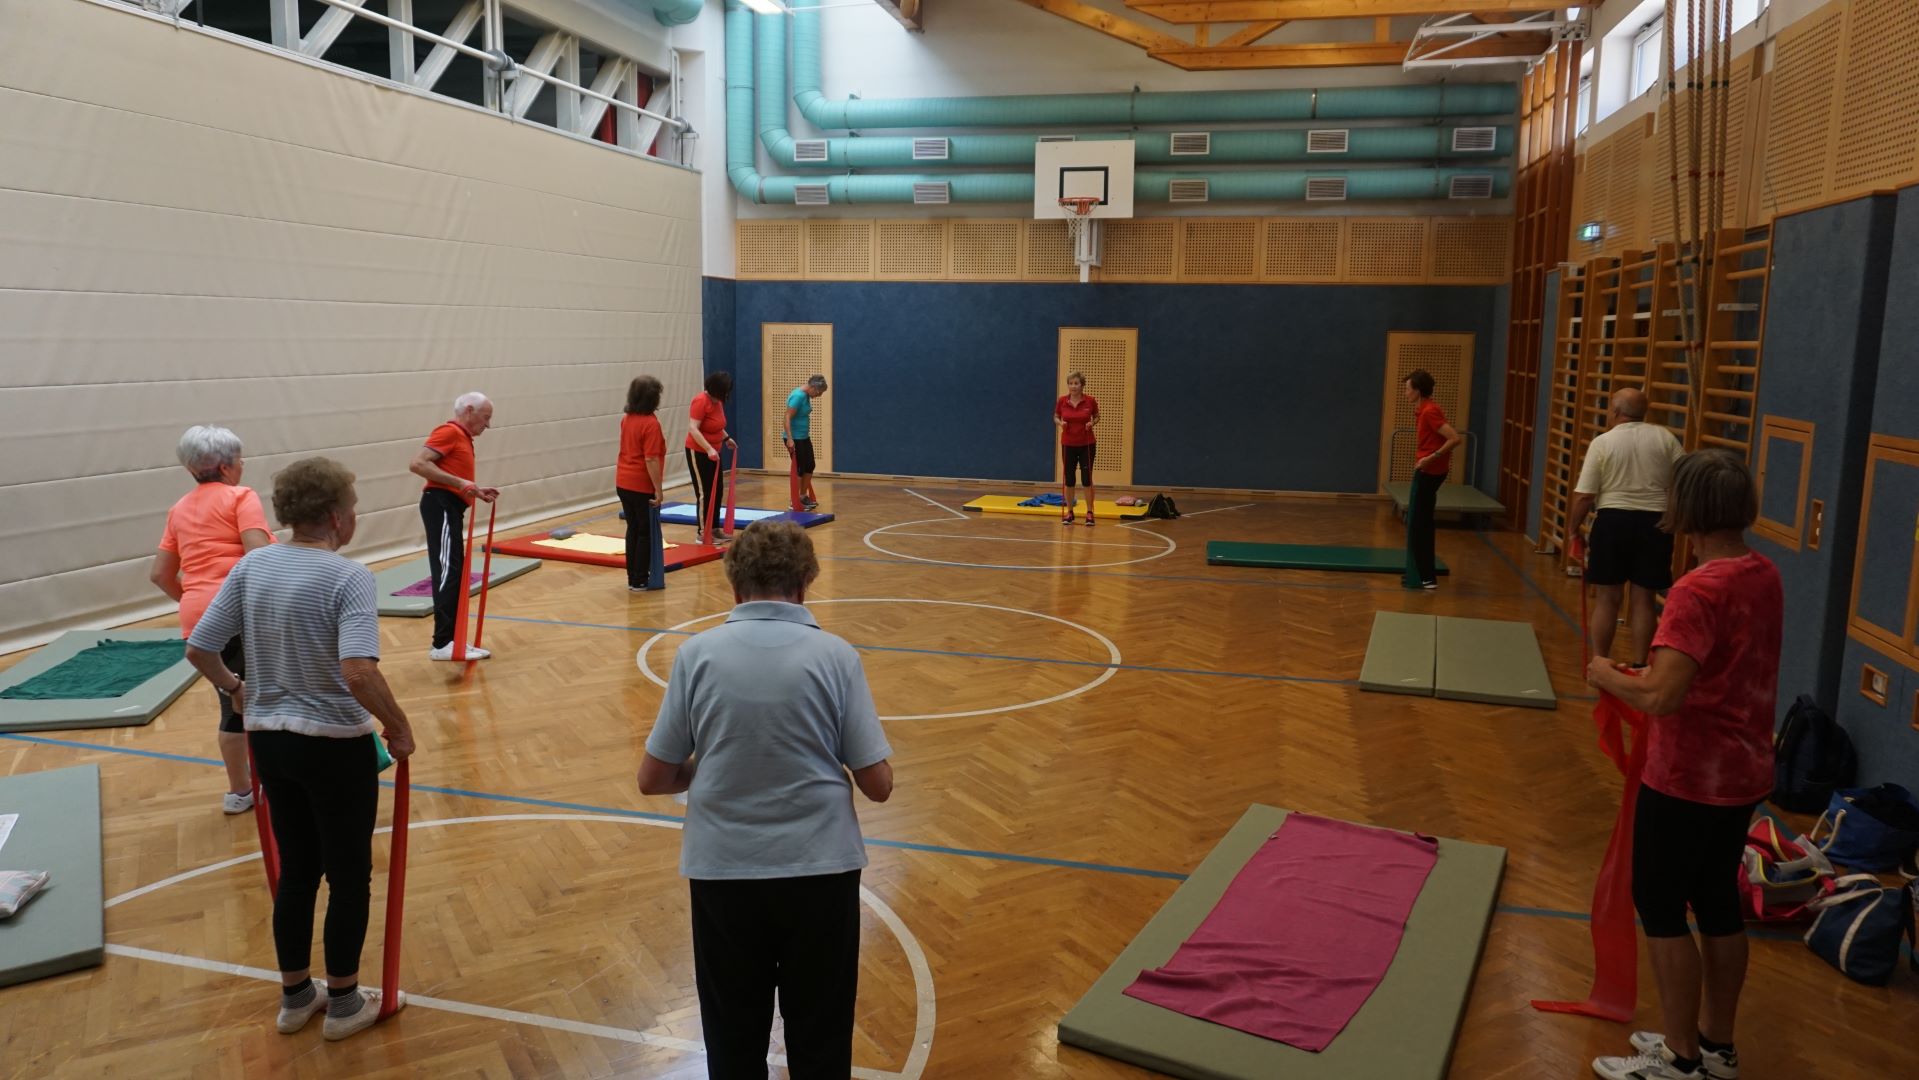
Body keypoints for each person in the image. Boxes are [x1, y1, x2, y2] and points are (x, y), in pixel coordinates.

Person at [638, 521, 894, 1079]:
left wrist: (713, 764)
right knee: (821, 1035)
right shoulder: (836, 655)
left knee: (732, 1037)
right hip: (821, 871)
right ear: (804, 584)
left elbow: (653, 778)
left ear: (734, 586)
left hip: (724, 872)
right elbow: (878, 785)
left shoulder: (696, 655)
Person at [184, 457, 417, 1042]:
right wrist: (398, 726)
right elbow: (358, 671)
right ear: (337, 517)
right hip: (334, 747)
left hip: (270, 744)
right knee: (349, 875)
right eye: (353, 508)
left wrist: (236, 689)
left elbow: (199, 647)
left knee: (297, 872)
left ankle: (295, 998)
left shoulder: (252, 565)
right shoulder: (347, 577)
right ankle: (344, 1004)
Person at [1585, 449, 1780, 1080]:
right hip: (1743, 771)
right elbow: (1707, 670)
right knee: (1717, 900)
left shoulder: (1698, 589)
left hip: (1690, 778)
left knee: (1662, 904)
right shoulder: (1762, 572)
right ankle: (1716, 1046)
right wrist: (1647, 673)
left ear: (1685, 508)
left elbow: (1662, 695)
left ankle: (1679, 1057)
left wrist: (1607, 674)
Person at [150, 425, 274, 814]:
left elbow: (160, 575)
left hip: (200, 621)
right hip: (240, 614)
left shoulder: (179, 509)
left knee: (233, 701)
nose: (242, 465)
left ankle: (240, 791)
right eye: (239, 460)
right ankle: (278, 781)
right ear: (224, 467)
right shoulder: (241, 497)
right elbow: (258, 557)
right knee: (264, 699)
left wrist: (195, 602)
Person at [1567, 388, 1684, 666]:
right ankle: (1641, 664)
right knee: (1644, 599)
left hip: (1613, 522)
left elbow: (1585, 496)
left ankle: (1600, 662)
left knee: (1608, 598)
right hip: (1655, 523)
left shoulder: (1603, 442)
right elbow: (1685, 479)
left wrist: (1573, 530)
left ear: (1616, 412)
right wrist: (1674, 516)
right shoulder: (1665, 438)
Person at [408, 392, 501, 661]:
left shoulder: (462, 437)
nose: (488, 425)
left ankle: (454, 639)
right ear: (469, 410)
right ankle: (442, 644)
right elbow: (417, 464)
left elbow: (454, 477)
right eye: (485, 418)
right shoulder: (449, 432)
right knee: (448, 573)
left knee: (456, 573)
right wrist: (460, 484)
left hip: (450, 506)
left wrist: (475, 490)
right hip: (441, 505)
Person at [1401, 369, 1461, 590]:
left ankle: (1426, 577)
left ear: (1418, 390)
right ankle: (1421, 573)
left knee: (1419, 525)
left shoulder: (1429, 411)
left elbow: (1454, 438)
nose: (1405, 393)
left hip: (1429, 472)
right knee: (1419, 522)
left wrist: (1431, 458)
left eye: (1408, 389)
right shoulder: (1424, 410)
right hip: (1428, 471)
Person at [617, 375, 668, 593]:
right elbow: (651, 459)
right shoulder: (650, 424)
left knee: (633, 529)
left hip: (623, 482)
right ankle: (639, 579)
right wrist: (658, 489)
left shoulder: (627, 419)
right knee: (644, 532)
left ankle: (633, 577)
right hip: (640, 485)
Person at [685, 373, 736, 545]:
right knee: (704, 493)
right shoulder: (700, 401)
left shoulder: (718, 402)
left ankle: (714, 528)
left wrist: (726, 438)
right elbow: (693, 428)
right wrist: (708, 448)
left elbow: (717, 425)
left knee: (717, 490)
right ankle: (702, 533)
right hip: (698, 451)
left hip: (714, 452)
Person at [1054, 371, 1100, 527]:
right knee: (1069, 479)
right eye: (1071, 383)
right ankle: (1070, 512)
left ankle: (1089, 513)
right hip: (1068, 444)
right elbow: (1055, 416)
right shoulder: (1062, 401)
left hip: (1087, 444)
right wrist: (1060, 423)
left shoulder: (1090, 401)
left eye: (1076, 383)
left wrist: (1092, 423)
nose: (1073, 386)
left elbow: (1097, 416)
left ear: (1082, 385)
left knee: (1087, 479)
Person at [781, 374, 828, 512]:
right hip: (794, 438)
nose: (819, 395)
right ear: (813, 387)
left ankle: (802, 496)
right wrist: (790, 439)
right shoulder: (798, 396)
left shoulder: (806, 395)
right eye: (819, 392)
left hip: (803, 437)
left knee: (810, 465)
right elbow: (787, 417)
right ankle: (794, 500)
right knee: (800, 468)